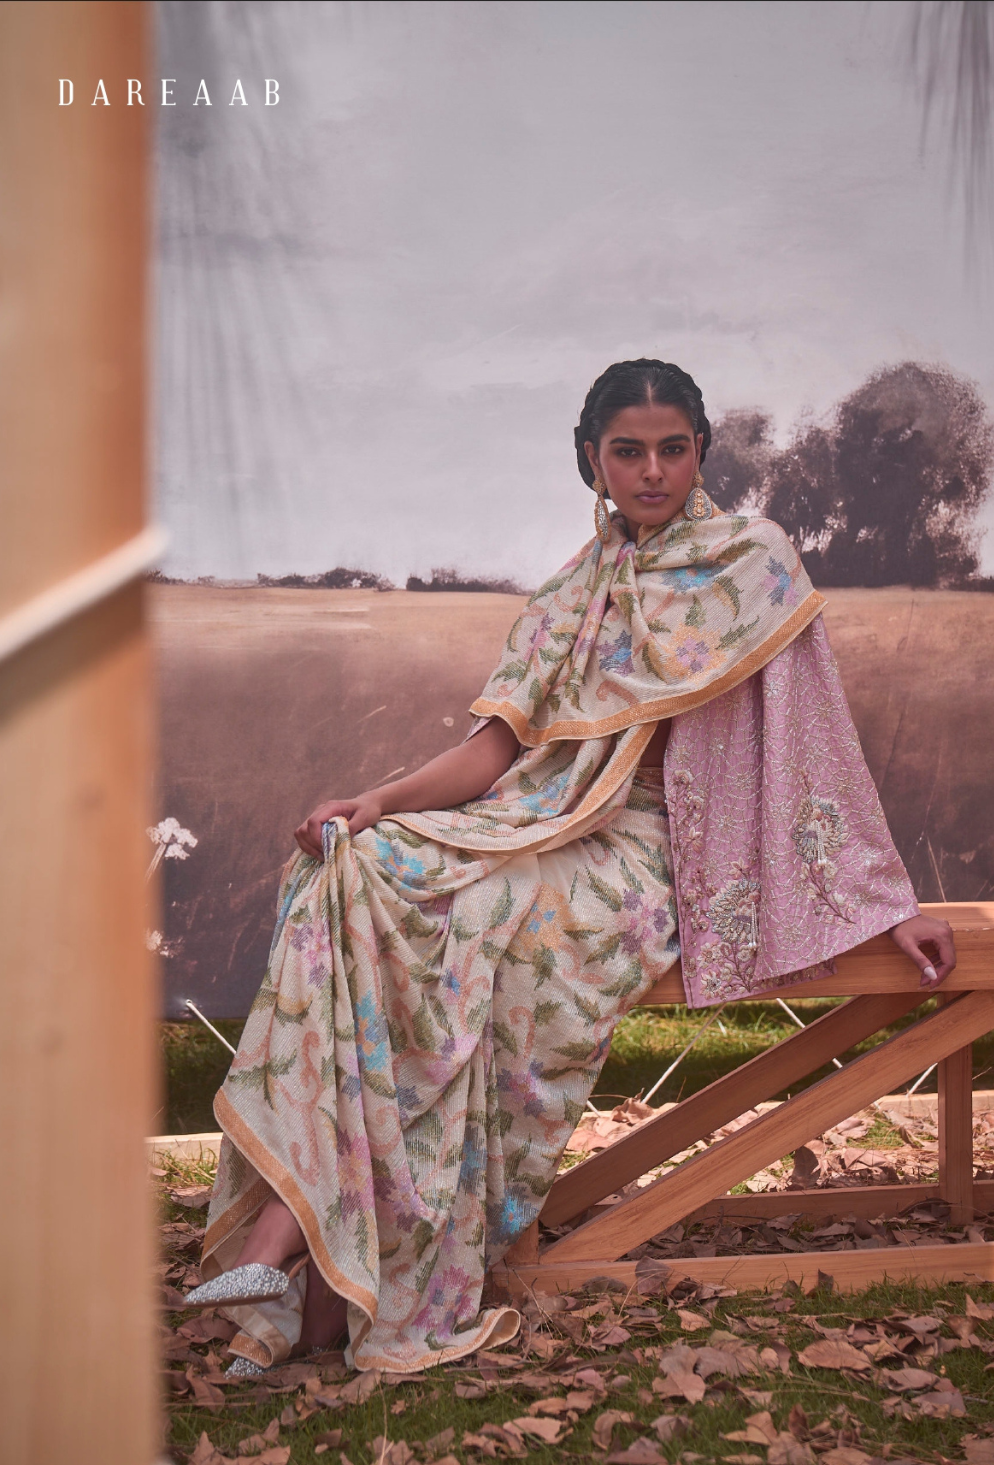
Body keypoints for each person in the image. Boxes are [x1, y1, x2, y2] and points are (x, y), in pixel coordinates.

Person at [187, 359, 955, 1376]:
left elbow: (817, 745)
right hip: (544, 820)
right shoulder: (574, 593)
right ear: (590, 461)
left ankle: (291, 1265)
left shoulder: (749, 565)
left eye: (672, 450)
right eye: (627, 452)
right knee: (355, 869)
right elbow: (494, 753)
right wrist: (377, 800)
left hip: (657, 852)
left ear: (699, 453)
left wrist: (883, 901)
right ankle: (304, 1272)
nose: (651, 472)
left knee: (455, 922)